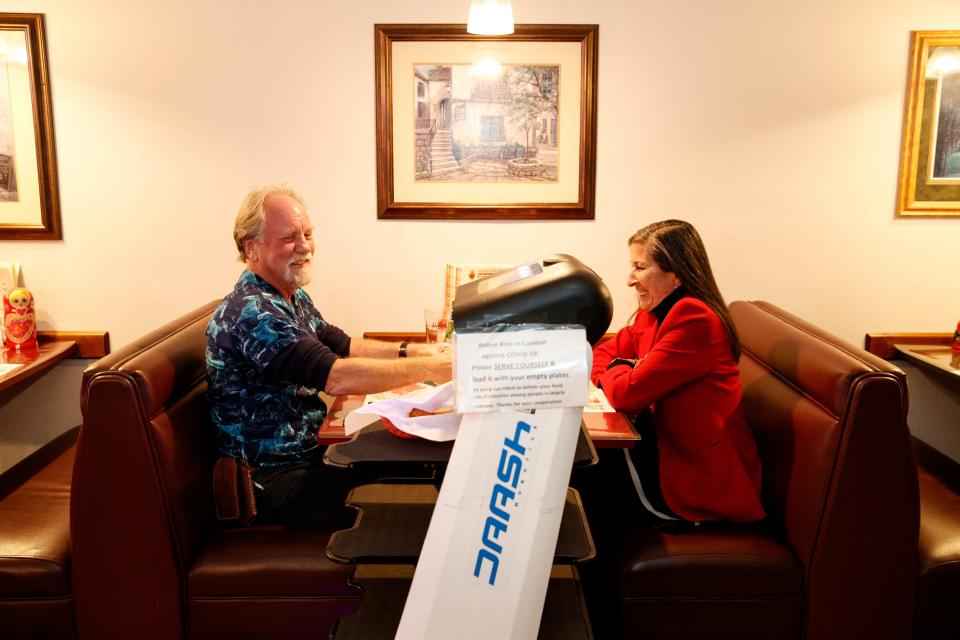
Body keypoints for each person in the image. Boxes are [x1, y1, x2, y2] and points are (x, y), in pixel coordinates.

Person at [206, 184, 452, 523]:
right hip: (272, 479)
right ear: (252, 247)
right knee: (411, 497)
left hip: (309, 453)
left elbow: (342, 345)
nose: (305, 246)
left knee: (419, 464)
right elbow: (335, 376)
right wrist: (439, 367)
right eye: (289, 237)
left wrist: (416, 350)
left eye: (307, 233)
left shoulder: (288, 294)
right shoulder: (251, 312)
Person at [591, 219, 764, 525]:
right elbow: (603, 354)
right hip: (665, 448)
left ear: (677, 275)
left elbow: (628, 394)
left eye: (640, 268)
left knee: (584, 473)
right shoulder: (654, 312)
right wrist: (622, 369)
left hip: (696, 478)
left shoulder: (693, 318)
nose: (630, 280)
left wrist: (620, 371)